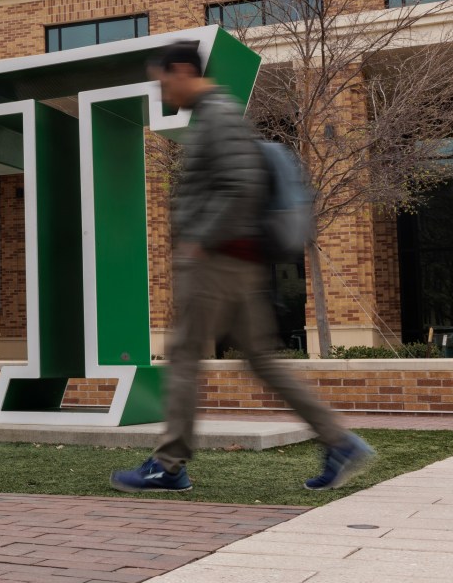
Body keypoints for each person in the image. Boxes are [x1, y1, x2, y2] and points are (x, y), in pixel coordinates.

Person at [110, 41, 374, 493]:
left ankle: (169, 464)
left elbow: (239, 185)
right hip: (237, 262)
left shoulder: (216, 115)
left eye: (161, 83)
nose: (161, 94)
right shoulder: (216, 115)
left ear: (181, 70)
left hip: (217, 263)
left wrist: (198, 241)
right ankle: (339, 442)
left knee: (184, 355)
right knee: (261, 361)